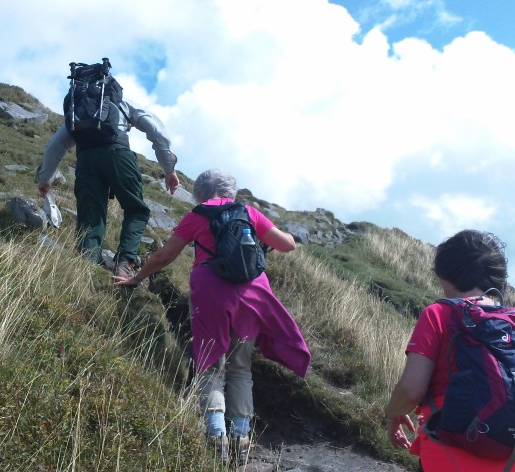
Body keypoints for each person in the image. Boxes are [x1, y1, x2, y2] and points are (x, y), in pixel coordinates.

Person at [114, 169, 311, 465]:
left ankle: (216, 435)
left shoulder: (197, 215)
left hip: (211, 292)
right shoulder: (247, 212)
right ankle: (241, 440)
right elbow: (288, 245)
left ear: (200, 193)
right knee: (241, 367)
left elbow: (164, 257)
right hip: (252, 292)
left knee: (210, 365)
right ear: (230, 191)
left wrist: (137, 278)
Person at [384, 230, 515, 472]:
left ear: (445, 273)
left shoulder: (439, 314)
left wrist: (393, 414)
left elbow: (411, 391)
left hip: (452, 454)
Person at [36, 81, 179, 279]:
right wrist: (168, 169)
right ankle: (125, 262)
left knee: (90, 212)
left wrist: (45, 178)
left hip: (86, 160)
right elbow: (155, 130)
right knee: (136, 209)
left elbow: (54, 146)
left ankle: (87, 266)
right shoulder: (121, 101)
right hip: (118, 154)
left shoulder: (79, 110)